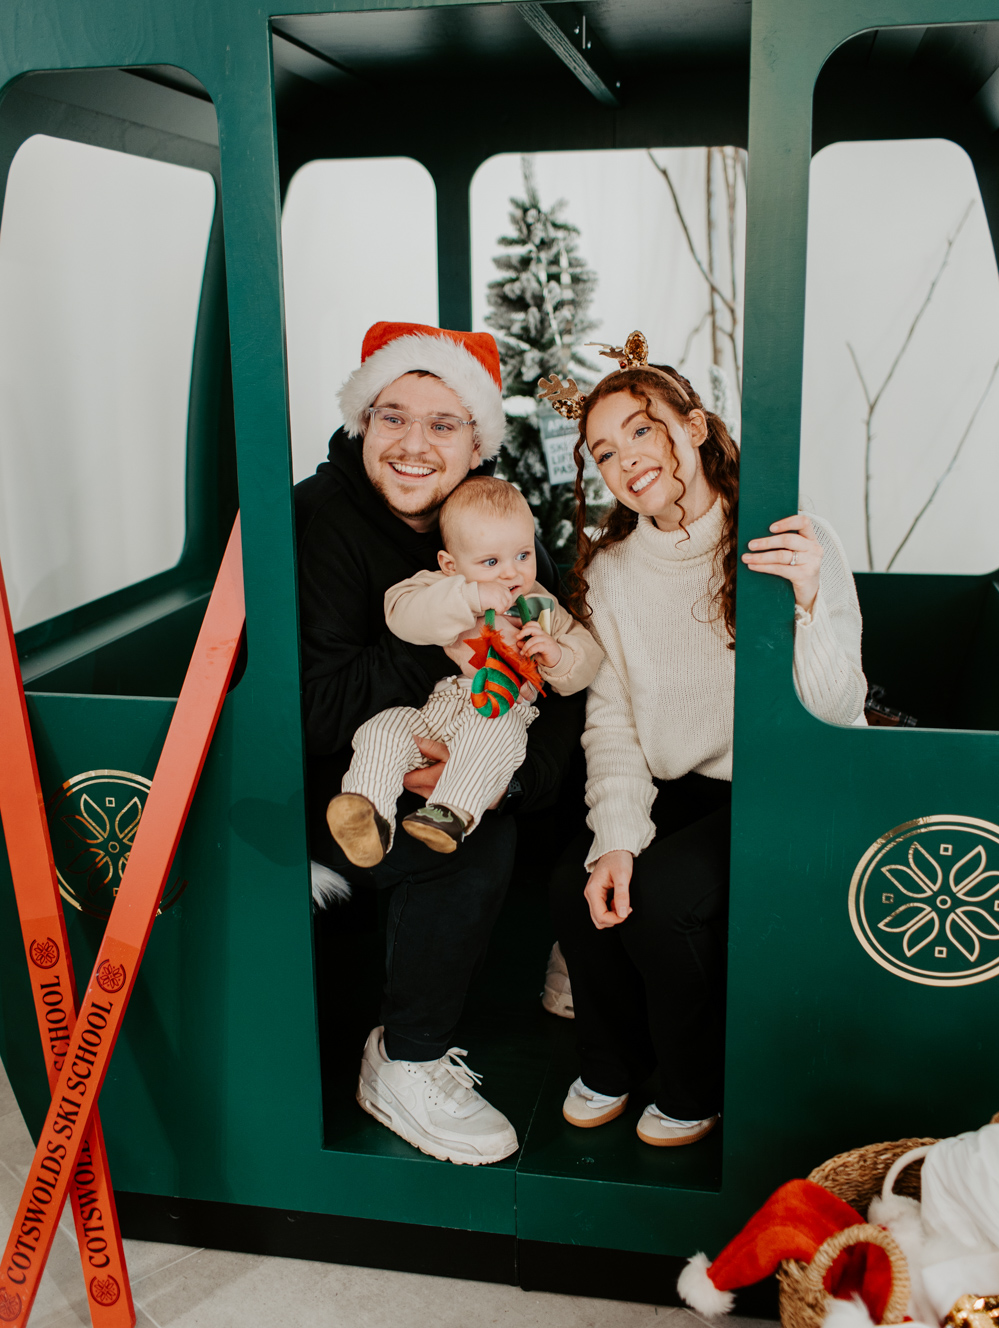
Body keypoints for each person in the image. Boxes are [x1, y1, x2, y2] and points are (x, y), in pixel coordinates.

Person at [545, 332, 866, 1149]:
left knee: (667, 900)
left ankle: (696, 1085)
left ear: (692, 424)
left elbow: (835, 706)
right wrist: (615, 838)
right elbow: (611, 719)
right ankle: (612, 1062)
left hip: (787, 777)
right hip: (683, 784)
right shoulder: (612, 570)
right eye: (605, 451)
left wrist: (804, 603)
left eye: (641, 430)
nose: (626, 460)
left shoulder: (786, 533)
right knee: (577, 886)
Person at [295, 321, 584, 1168]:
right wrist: (439, 617)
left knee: (547, 776)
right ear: (363, 423)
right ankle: (407, 1062)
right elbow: (316, 710)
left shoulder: (499, 520)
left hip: (475, 751)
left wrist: (514, 779)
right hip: (341, 783)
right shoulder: (319, 523)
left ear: (477, 441)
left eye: (443, 423)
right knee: (462, 838)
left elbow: (563, 685)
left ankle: (575, 965)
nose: (414, 445)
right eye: (392, 417)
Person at [327, 475, 602, 859]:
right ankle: (367, 813)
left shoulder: (542, 606)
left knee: (494, 739)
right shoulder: (441, 586)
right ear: (450, 563)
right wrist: (468, 595)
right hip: (438, 707)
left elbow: (588, 656)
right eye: (491, 562)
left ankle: (449, 813)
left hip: (499, 709)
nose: (511, 573)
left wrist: (558, 655)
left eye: (523, 555)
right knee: (383, 728)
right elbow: (401, 613)